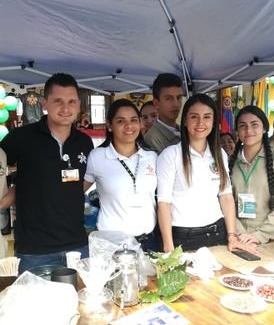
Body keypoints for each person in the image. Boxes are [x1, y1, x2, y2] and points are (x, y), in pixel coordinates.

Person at [0, 73, 94, 273]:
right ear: (45, 104)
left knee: (80, 303)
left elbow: (83, 181)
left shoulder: (84, 142)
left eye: (71, 102)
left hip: (77, 245)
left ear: (79, 105)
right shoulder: (22, 137)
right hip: (34, 250)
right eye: (57, 101)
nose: (65, 108)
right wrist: (10, 194)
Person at [157, 94, 242, 253]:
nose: (200, 123)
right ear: (184, 120)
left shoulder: (220, 154)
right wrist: (169, 246)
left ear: (214, 121)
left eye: (207, 117)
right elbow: (164, 203)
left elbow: (226, 196)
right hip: (183, 237)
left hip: (218, 233)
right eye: (194, 117)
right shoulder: (171, 155)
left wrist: (231, 235)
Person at [84, 99, 159, 252]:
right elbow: (76, 193)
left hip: (149, 241)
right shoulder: (98, 157)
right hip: (112, 244)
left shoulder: (152, 157)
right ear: (109, 125)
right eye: (120, 121)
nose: (129, 126)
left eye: (133, 120)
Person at [229, 106, 274, 248]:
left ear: (265, 129)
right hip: (236, 240)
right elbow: (223, 200)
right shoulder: (229, 160)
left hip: (271, 241)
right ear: (237, 131)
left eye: (255, 125)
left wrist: (259, 235)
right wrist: (240, 233)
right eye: (243, 126)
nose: (248, 131)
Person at [144, 73, 183, 153]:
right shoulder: (152, 139)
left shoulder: (185, 131)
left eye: (179, 97)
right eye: (168, 98)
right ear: (156, 103)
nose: (176, 104)